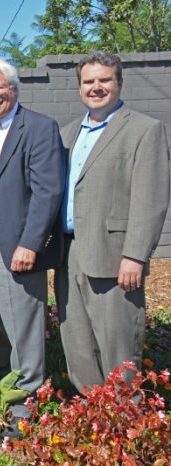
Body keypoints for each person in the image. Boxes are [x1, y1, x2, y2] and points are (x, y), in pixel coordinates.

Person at [56, 51, 170, 393]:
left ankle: (125, 420)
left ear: (119, 82)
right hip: (69, 252)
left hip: (114, 256)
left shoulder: (144, 130)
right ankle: (92, 421)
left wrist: (135, 255)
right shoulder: (67, 133)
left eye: (104, 80)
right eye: (88, 81)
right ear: (79, 87)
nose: (96, 87)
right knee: (77, 345)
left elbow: (150, 198)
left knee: (118, 348)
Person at [0, 60, 65, 437]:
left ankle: (27, 408)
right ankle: (3, 394)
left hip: (18, 247)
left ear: (14, 88)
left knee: (23, 328)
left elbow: (49, 191)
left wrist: (30, 243)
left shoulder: (40, 128)